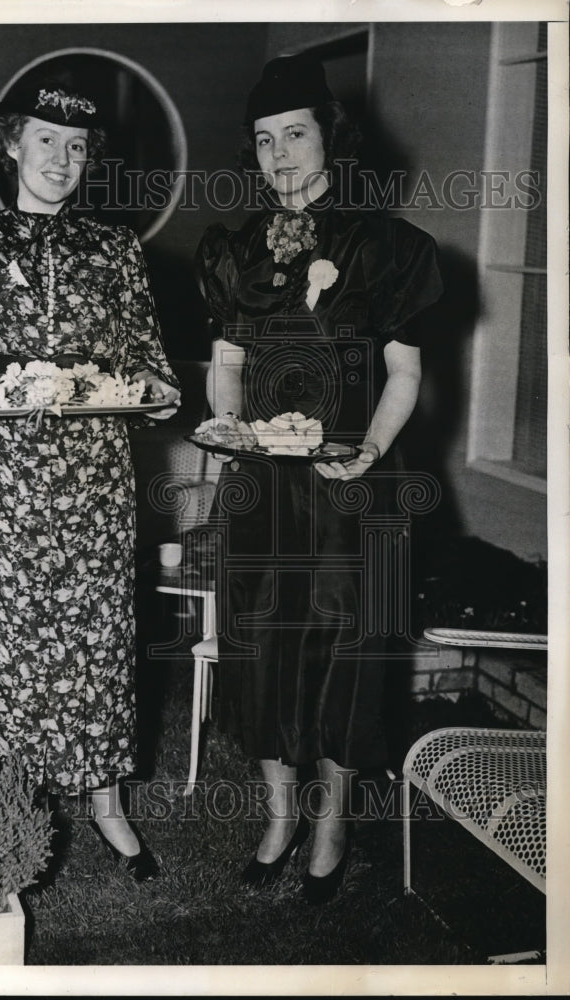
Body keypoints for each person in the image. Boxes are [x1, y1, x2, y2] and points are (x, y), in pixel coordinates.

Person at [0, 79, 180, 881]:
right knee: (14, 648)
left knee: (101, 645)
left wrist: (155, 392)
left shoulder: (116, 252)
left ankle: (107, 804)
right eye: (45, 140)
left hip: (96, 489)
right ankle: (18, 804)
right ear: (12, 145)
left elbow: (150, 368)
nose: (61, 158)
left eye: (76, 146)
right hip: (5, 490)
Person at [195, 52, 443, 903]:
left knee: (347, 654)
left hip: (352, 490)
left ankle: (331, 827)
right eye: (264, 141)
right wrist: (229, 427)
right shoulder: (235, 249)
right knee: (261, 648)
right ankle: (278, 818)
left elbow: (405, 373)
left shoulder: (388, 246)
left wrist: (366, 453)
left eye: (295, 135)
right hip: (261, 491)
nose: (279, 155)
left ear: (330, 139)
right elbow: (227, 364)